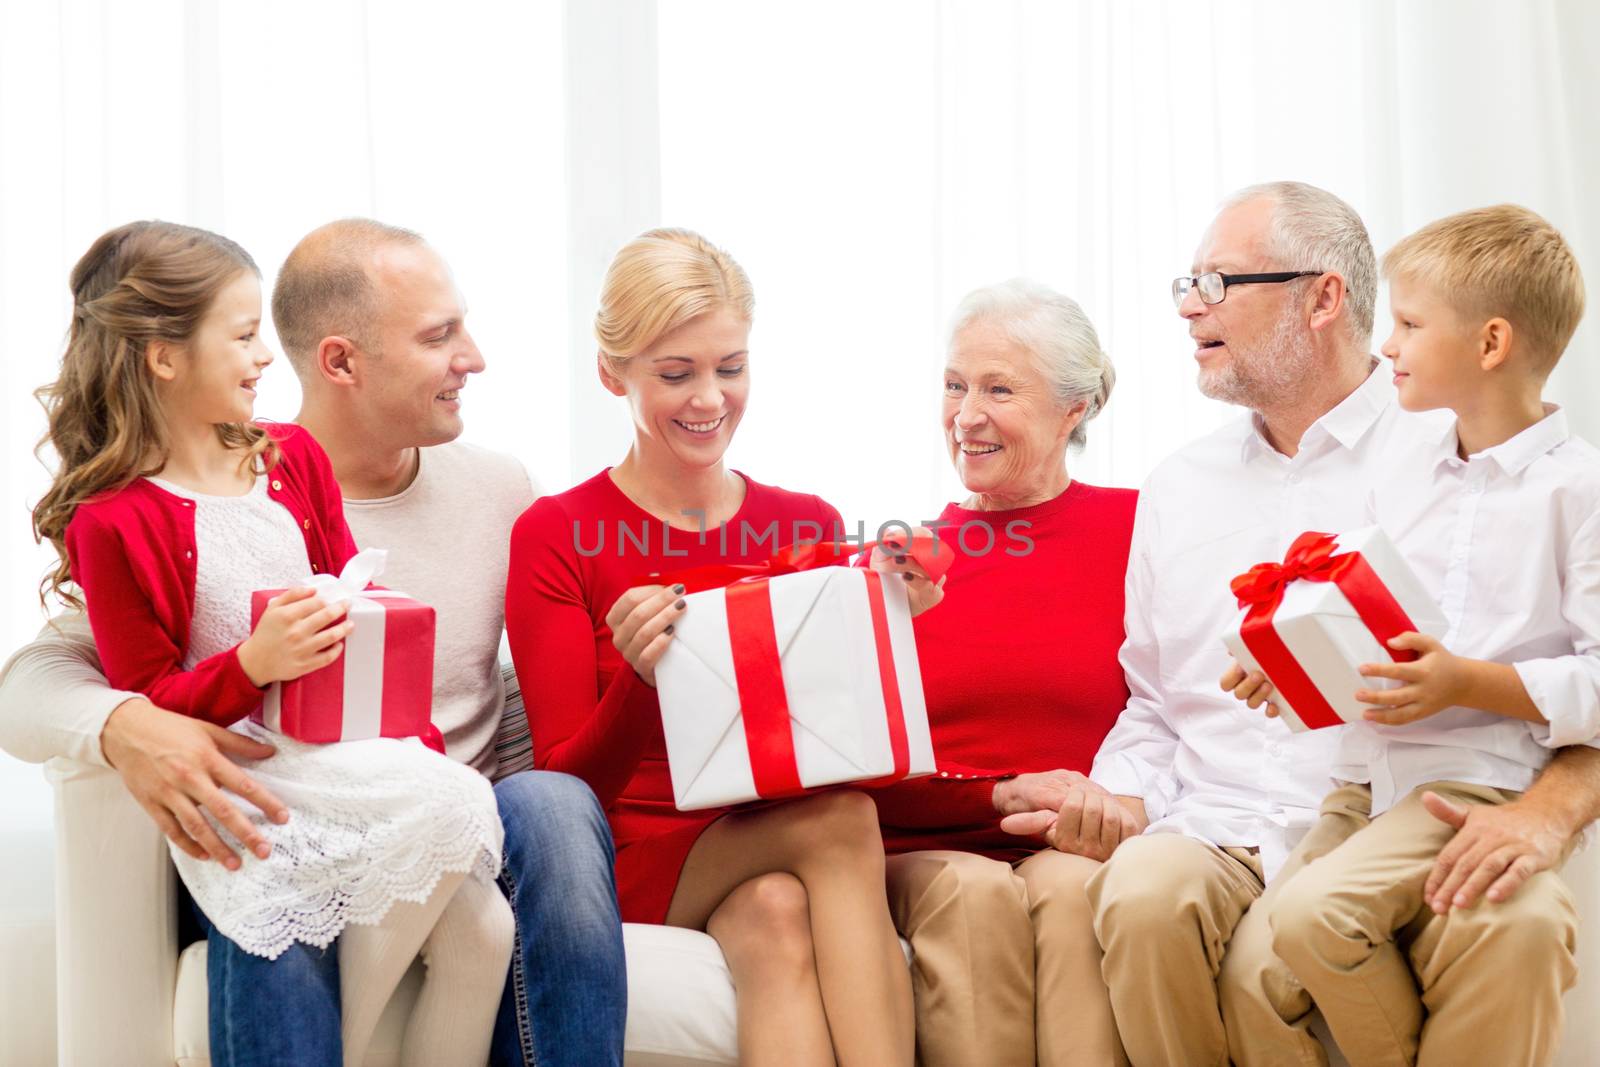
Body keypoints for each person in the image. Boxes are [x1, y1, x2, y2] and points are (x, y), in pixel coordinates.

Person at [1, 218, 627, 1067]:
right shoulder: (140, 513)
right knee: (270, 873)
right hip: (277, 793)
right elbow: (48, 677)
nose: (473, 358)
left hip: (417, 780)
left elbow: (523, 672)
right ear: (341, 360)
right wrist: (128, 723)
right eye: (440, 335)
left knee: (542, 816)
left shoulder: (487, 486)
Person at [1068, 181, 1600, 1067]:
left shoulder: (1445, 443)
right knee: (1145, 895)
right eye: (1187, 282)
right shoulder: (1177, 487)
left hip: (1420, 794)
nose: (1190, 307)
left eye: (1219, 281)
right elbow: (1156, 704)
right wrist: (1117, 792)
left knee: (1524, 923)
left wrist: (1550, 807)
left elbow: (1524, 650)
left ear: (1324, 297)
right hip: (1230, 818)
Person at [506, 228, 927, 1067]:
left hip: (763, 833)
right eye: (676, 373)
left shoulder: (803, 519)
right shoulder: (555, 532)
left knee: (774, 914)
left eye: (730, 367)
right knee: (841, 823)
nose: (709, 397)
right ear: (610, 373)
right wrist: (637, 676)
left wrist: (894, 618)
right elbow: (565, 793)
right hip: (632, 855)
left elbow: (846, 743)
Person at [1222, 203, 1597, 1066]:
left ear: (1490, 344)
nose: (1387, 345)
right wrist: (1290, 665)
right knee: (1251, 979)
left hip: (1473, 786)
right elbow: (1366, 620)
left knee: (1317, 917)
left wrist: (1469, 683)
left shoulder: (1576, 491)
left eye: (1408, 324)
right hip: (1363, 786)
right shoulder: (1403, 467)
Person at [865, 279, 1135, 1067]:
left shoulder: (1139, 531)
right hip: (931, 846)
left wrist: (1119, 806)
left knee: (1075, 888)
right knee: (975, 893)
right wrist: (997, 792)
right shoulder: (897, 563)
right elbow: (854, 775)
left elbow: (1184, 711)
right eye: (954, 385)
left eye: (998, 388)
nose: (966, 414)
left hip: (1072, 841)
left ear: (1071, 410)